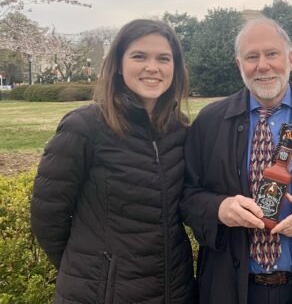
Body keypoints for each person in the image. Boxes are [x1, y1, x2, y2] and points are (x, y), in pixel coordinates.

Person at [180, 17, 292, 304]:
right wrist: (218, 208)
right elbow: (187, 196)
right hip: (231, 286)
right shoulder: (210, 123)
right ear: (239, 65)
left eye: (272, 54)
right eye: (252, 57)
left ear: (290, 59)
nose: (262, 65)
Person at [30, 19, 196, 303]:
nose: (152, 67)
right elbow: (48, 215)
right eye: (139, 56)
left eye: (163, 59)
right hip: (101, 293)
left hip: (174, 289)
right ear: (119, 64)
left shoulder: (180, 130)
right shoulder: (85, 126)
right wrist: (92, 270)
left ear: (175, 68)